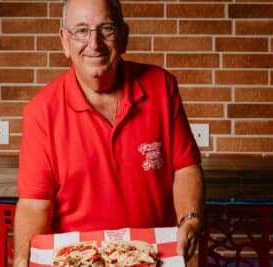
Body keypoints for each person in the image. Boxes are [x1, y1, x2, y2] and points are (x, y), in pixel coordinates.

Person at [14, 0, 205, 266]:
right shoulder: (41, 111)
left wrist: (190, 219)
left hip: (152, 255)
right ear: (64, 41)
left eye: (106, 29)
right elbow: (35, 204)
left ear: (124, 36)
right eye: (81, 30)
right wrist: (22, 261)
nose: (94, 43)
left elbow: (185, 167)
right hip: (79, 258)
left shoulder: (162, 86)